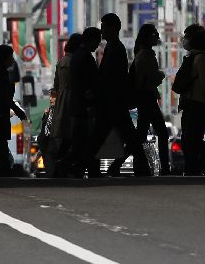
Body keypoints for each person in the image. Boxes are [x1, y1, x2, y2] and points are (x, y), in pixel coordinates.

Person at [90, 13, 150, 177]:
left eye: (104, 27)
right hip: (114, 101)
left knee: (101, 137)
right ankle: (142, 169)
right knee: (127, 137)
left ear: (113, 28)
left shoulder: (115, 48)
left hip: (112, 101)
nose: (102, 31)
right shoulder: (113, 47)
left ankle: (85, 166)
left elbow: (110, 76)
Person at [61, 27, 102, 177]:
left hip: (78, 105)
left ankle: (82, 170)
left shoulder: (78, 55)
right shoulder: (84, 57)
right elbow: (88, 82)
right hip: (83, 106)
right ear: (90, 40)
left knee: (83, 142)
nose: (97, 45)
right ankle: (66, 166)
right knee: (84, 142)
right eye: (96, 41)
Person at [176, 29, 205, 175]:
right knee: (202, 135)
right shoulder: (202, 58)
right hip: (198, 103)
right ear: (204, 42)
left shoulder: (196, 56)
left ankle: (196, 166)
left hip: (192, 103)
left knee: (193, 138)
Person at [0, 45, 27, 177]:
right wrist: (17, 111)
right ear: (3, 59)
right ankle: (3, 173)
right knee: (0, 146)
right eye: (10, 57)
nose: (12, 60)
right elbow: (4, 98)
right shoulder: (0, 74)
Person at [131, 24, 170, 175]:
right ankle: (165, 167)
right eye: (154, 34)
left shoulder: (141, 54)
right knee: (161, 132)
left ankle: (132, 165)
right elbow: (150, 78)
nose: (157, 37)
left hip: (144, 96)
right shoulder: (146, 55)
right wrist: (160, 75)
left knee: (140, 134)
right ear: (147, 37)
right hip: (147, 96)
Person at [49, 33, 82, 176]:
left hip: (62, 101)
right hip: (72, 100)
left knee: (67, 137)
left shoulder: (61, 61)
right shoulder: (75, 61)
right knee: (74, 135)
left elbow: (55, 86)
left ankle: (60, 166)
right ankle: (65, 166)